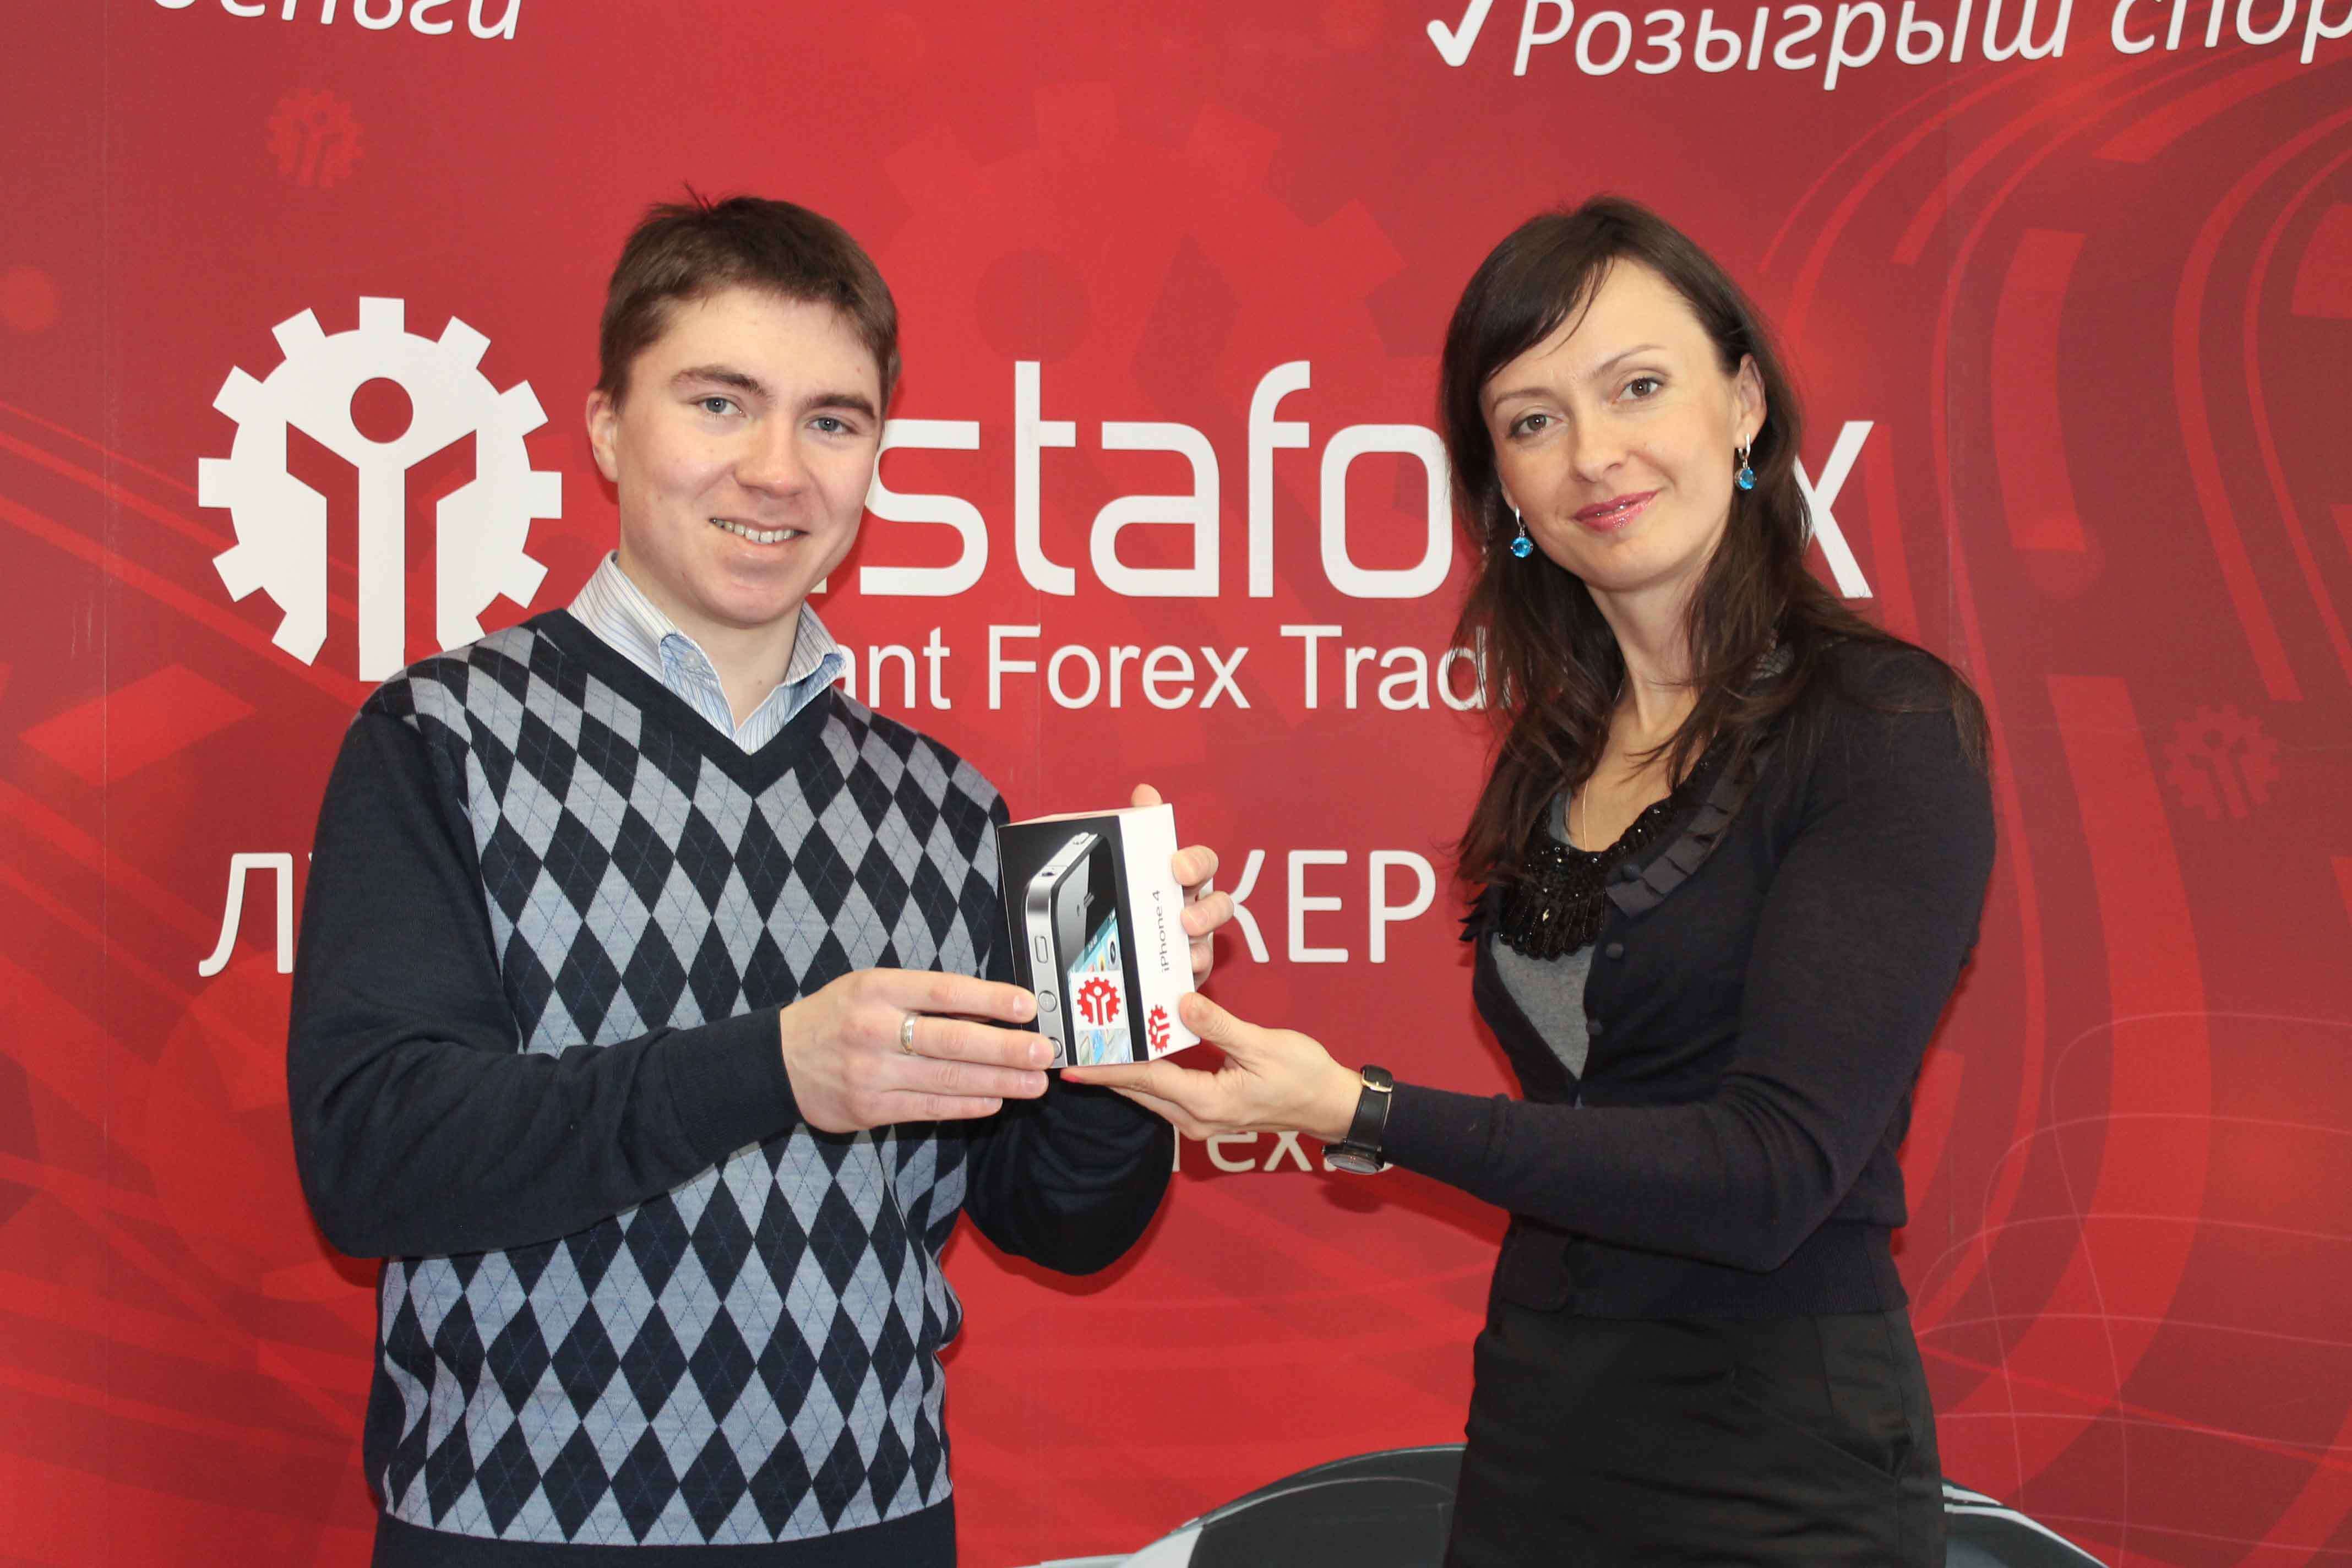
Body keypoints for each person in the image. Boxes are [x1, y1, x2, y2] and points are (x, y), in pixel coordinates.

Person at [287, 194, 1227, 1567]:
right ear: (609, 427)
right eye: (721, 403)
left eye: (832, 421)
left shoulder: (946, 802)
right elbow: (377, 1157)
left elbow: (1066, 1222)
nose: (778, 470)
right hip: (515, 1526)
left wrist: (1117, 1023)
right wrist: (777, 1064)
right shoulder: (445, 735)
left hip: (875, 1521)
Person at [1067, 196, 1995, 1566]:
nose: (1593, 454)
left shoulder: (1881, 724)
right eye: (1533, 419)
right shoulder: (1556, 753)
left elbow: (1772, 1170)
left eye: (1637, 387)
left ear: (1744, 402)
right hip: (1538, 1445)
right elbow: (1588, 1122)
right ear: (1500, 480)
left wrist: (1361, 1108)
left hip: (1778, 1480)